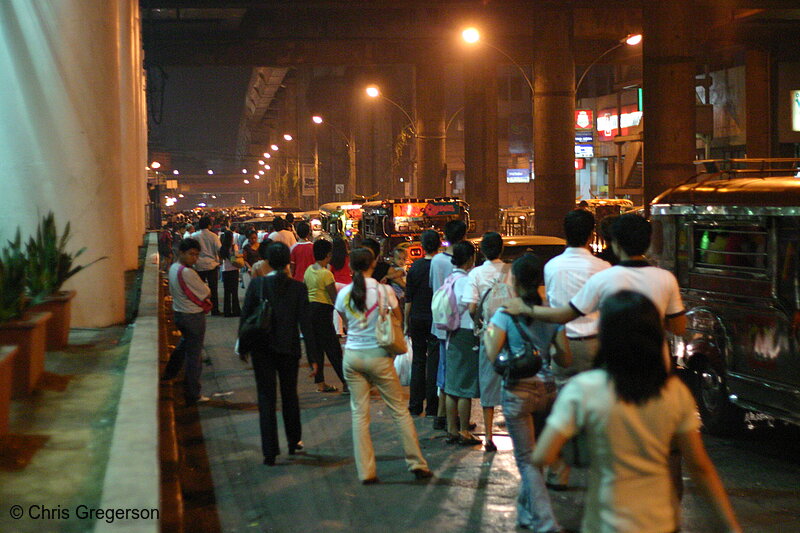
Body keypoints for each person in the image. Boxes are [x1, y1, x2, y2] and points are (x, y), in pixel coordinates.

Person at [533, 291, 741, 533]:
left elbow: (542, 456)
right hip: (659, 521)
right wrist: (731, 525)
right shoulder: (674, 393)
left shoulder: (584, 389)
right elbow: (700, 467)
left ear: (606, 334)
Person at [484, 253, 570, 532]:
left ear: (516, 283)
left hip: (518, 392)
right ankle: (525, 513)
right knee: (536, 457)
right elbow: (564, 359)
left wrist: (488, 334)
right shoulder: (550, 312)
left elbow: (492, 353)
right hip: (547, 391)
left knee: (527, 460)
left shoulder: (505, 313)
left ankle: (546, 522)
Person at [335, 248, 432, 484]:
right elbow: (397, 319)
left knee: (359, 414)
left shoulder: (344, 293)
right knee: (399, 411)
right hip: (379, 356)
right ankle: (416, 462)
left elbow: (343, 320)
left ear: (351, 267)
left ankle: (366, 471)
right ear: (374, 264)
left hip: (352, 357)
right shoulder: (384, 290)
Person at [542, 209, 610, 488]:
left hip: (563, 344)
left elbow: (551, 306)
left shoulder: (551, 267)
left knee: (561, 408)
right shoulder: (603, 268)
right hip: (595, 344)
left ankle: (560, 470)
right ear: (591, 234)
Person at [239, 242, 318, 466]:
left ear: (267, 262)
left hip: (261, 349)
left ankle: (269, 451)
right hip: (288, 349)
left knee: (266, 398)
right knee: (289, 395)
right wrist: (313, 358)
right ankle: (294, 441)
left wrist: (243, 347)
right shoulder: (298, 288)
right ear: (288, 263)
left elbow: (246, 317)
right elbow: (306, 325)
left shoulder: (257, 285)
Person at [464, 232, 507, 451]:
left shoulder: (476, 274)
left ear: (482, 251)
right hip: (511, 333)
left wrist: (479, 322)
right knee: (513, 381)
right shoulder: (510, 272)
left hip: (488, 334)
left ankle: (489, 436)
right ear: (501, 250)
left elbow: (471, 307)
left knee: (488, 382)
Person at [162, 238, 211, 406]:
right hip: (193, 317)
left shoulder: (174, 268)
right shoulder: (188, 272)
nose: (194, 258)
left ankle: (170, 372)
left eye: (196, 255)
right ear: (181, 253)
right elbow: (206, 292)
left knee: (184, 345)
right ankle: (192, 393)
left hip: (179, 314)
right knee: (194, 357)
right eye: (191, 254)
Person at [429, 219, 468, 429]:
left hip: (439, 321)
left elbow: (432, 286)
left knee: (443, 370)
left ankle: (442, 415)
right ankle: (450, 419)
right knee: (455, 372)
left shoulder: (436, 261)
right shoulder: (462, 263)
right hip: (457, 324)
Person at [443, 241, 481, 445]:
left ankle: (452, 430)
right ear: (469, 259)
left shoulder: (450, 278)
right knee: (465, 386)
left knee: (452, 385)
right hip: (465, 332)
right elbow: (471, 307)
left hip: (451, 333)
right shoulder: (467, 281)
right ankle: (464, 431)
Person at [404, 230, 441, 419]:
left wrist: (405, 322)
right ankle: (432, 407)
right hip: (435, 319)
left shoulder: (415, 267)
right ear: (439, 244)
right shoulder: (442, 266)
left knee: (418, 361)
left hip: (417, 318)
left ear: (422, 246)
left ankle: (415, 405)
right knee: (434, 361)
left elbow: (408, 298)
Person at [304, 238, 347, 393]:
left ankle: (321, 384)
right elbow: (335, 299)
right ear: (328, 255)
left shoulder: (309, 270)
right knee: (333, 349)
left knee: (317, 349)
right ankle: (346, 383)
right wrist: (345, 319)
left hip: (310, 311)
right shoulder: (326, 274)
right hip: (323, 312)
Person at [192, 216, 223, 316]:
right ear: (209, 225)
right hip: (211, 265)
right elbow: (219, 249)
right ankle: (215, 310)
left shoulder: (194, 236)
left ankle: (200, 309)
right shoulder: (213, 236)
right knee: (213, 289)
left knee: (199, 289)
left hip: (198, 265)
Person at [330, 236, 351, 337]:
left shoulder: (332, 259)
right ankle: (348, 328)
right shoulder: (348, 257)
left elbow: (329, 271)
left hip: (335, 283)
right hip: (347, 284)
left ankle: (338, 330)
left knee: (336, 308)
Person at [219, 229, 242, 317]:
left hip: (225, 271)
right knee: (234, 292)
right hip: (233, 270)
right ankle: (236, 310)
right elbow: (235, 257)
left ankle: (227, 311)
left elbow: (221, 260)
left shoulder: (222, 248)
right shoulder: (233, 247)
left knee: (227, 292)